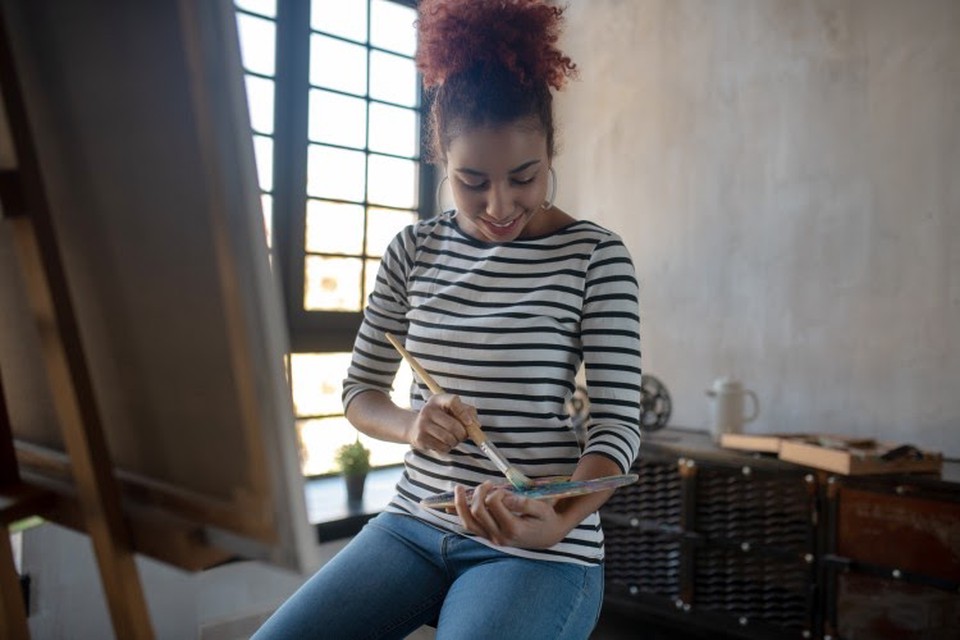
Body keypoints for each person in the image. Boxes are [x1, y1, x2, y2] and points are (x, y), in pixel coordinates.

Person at [253, 1, 641, 638]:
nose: (499, 206)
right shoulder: (412, 251)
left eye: (525, 177)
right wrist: (412, 425)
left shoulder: (596, 256)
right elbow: (360, 394)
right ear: (439, 157)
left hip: (536, 545)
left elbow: (617, 430)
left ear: (551, 149)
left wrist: (560, 516)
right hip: (412, 525)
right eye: (471, 181)